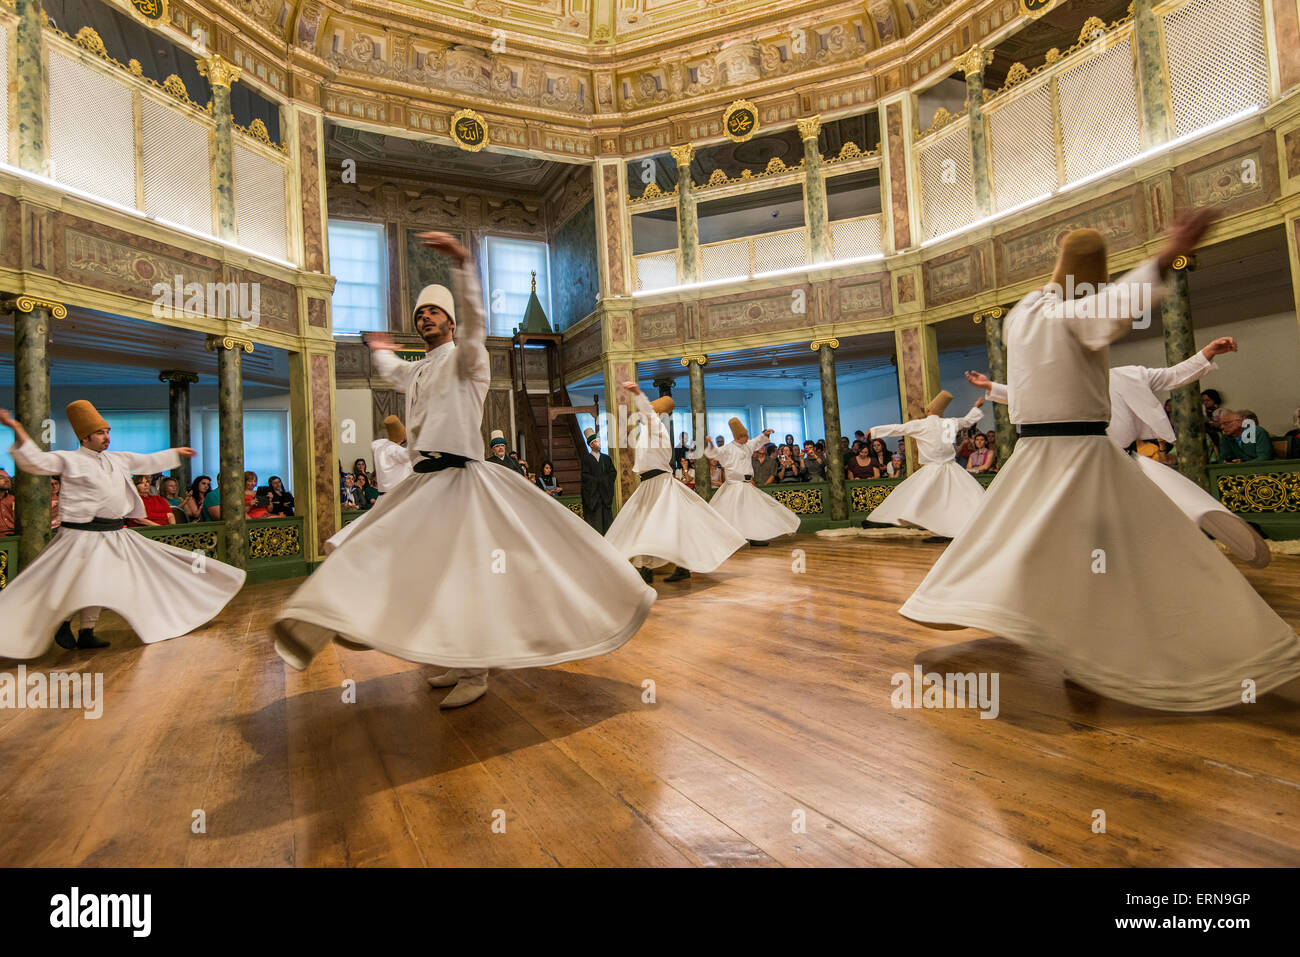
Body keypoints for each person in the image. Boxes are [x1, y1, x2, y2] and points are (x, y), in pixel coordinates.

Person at [901, 212, 1300, 711]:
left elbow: (1060, 368)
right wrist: (1165, 254)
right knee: (1144, 550)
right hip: (1080, 457)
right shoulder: (1068, 317)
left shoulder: (1023, 314)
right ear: (1086, 285)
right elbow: (1113, 307)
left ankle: (1065, 632)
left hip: (1034, 455)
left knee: (1032, 545)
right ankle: (1154, 642)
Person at [272, 232, 655, 710]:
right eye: (419, 313)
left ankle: (475, 669)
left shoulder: (467, 359)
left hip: (463, 481)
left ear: (450, 321)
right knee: (415, 565)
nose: (424, 317)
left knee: (469, 572)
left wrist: (463, 265)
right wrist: (379, 347)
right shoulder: (419, 370)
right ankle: (455, 656)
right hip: (425, 484)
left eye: (433, 312)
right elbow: (393, 370)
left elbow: (477, 324)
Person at [969, 334, 1269, 567]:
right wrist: (992, 386)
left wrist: (1207, 353)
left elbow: (1173, 375)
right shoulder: (1065, 382)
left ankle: (1156, 562)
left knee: (1163, 511)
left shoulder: (1130, 375)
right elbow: (1027, 394)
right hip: (1083, 464)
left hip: (1122, 460)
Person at [0, 401, 244, 654]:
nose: (106, 438)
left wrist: (175, 453)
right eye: (100, 433)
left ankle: (86, 631)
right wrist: (16, 427)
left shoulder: (118, 459)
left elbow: (147, 461)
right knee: (68, 582)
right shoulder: (69, 459)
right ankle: (62, 621)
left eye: (107, 432)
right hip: (80, 535)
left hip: (114, 533)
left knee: (101, 582)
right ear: (85, 438)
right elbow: (35, 461)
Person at [604, 384, 746, 583]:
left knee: (655, 525)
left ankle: (654, 568)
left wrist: (638, 394)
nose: (644, 415)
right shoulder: (647, 432)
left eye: (650, 412)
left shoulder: (657, 427)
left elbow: (648, 413)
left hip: (659, 484)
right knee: (649, 525)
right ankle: (655, 567)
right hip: (649, 483)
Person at [865, 391, 986, 541]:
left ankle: (939, 531)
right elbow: (968, 421)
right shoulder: (950, 423)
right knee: (954, 501)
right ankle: (945, 531)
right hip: (951, 469)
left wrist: (875, 431)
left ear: (928, 410)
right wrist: (976, 407)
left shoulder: (921, 424)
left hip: (933, 470)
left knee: (924, 500)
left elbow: (898, 428)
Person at [702, 417, 800, 547]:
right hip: (734, 485)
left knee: (754, 513)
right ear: (738, 437)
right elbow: (714, 453)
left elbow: (757, 441)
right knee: (731, 514)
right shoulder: (728, 448)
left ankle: (756, 537)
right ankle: (724, 539)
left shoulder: (747, 445)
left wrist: (765, 434)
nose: (748, 437)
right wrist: (711, 444)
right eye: (745, 436)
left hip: (747, 485)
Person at [324, 416, 414, 555]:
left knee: (369, 524)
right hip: (397, 497)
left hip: (385, 496)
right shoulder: (396, 451)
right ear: (402, 439)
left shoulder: (379, 447)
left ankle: (343, 543)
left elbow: (380, 444)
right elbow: (411, 454)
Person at [579, 427, 617, 534]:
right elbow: (585, 476)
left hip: (605, 495)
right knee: (596, 524)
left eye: (599, 441)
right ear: (591, 445)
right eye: (596, 441)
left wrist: (604, 481)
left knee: (607, 524)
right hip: (594, 497)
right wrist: (598, 481)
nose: (599, 443)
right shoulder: (586, 459)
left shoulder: (606, 458)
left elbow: (612, 473)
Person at [0, 469, 14, 536]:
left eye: (8, 478)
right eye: (1, 477)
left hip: (15, 537)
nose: (7, 480)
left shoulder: (13, 499)